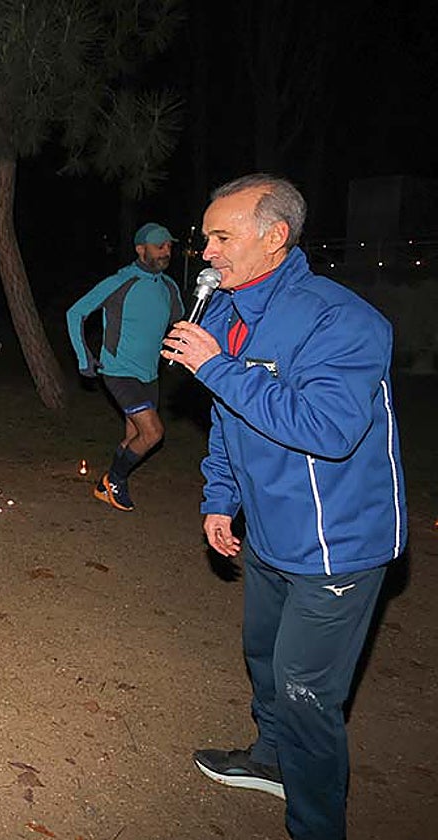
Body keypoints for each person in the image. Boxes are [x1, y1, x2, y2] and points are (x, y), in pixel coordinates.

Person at [160, 174, 406, 840]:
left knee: (305, 695)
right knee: (264, 658)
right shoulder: (223, 313)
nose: (205, 252)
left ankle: (317, 826)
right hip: (267, 532)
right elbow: (228, 421)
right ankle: (269, 761)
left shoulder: (343, 320)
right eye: (205, 236)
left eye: (221, 236)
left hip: (337, 547)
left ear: (275, 237)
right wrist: (221, 498)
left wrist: (219, 369)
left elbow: (328, 430)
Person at [66, 222, 184, 512]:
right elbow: (75, 312)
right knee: (153, 433)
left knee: (134, 436)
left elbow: (181, 324)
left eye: (169, 246)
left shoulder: (169, 287)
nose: (166, 251)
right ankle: (115, 480)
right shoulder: (121, 281)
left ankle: (104, 486)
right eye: (160, 246)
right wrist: (85, 357)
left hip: (149, 374)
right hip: (118, 371)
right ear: (141, 249)